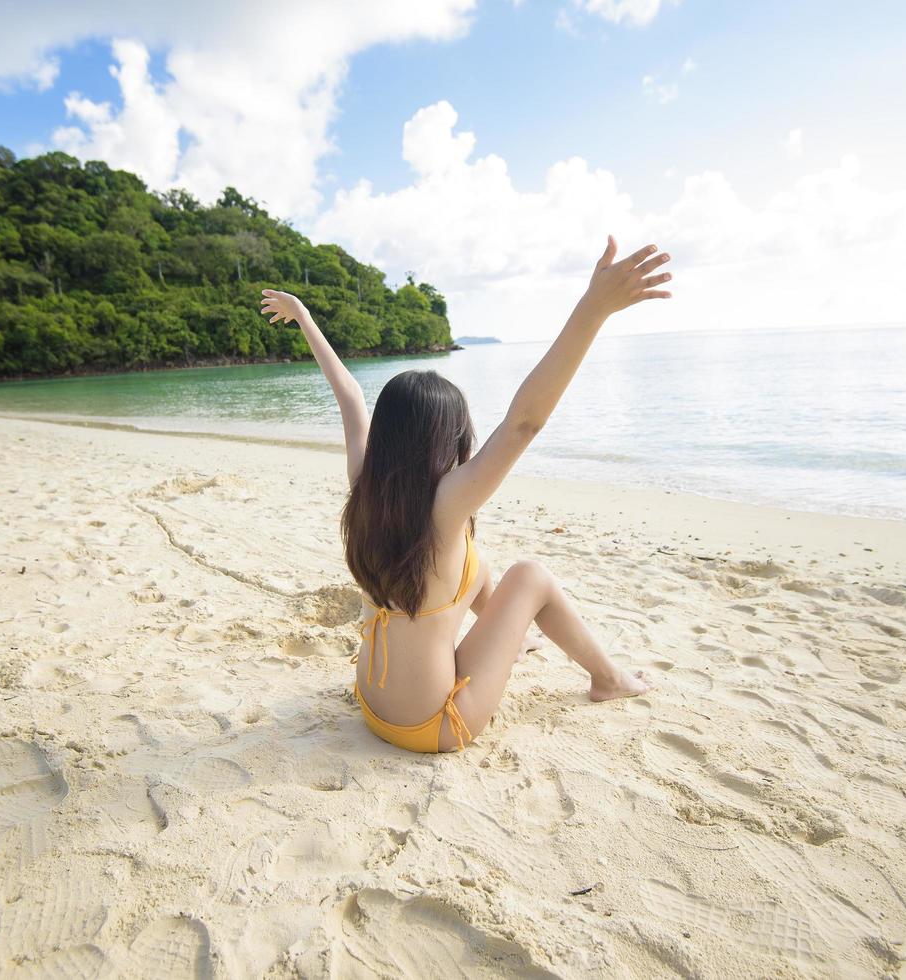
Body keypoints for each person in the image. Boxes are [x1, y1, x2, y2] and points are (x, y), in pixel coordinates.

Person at [259, 235, 671, 753]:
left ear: (388, 435)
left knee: (471, 563)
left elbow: (350, 396)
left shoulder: (366, 484)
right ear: (448, 438)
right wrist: (593, 309)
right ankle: (609, 679)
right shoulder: (444, 505)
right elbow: (523, 422)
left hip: (371, 706)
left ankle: (513, 639)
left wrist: (304, 318)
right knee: (532, 576)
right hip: (434, 725)